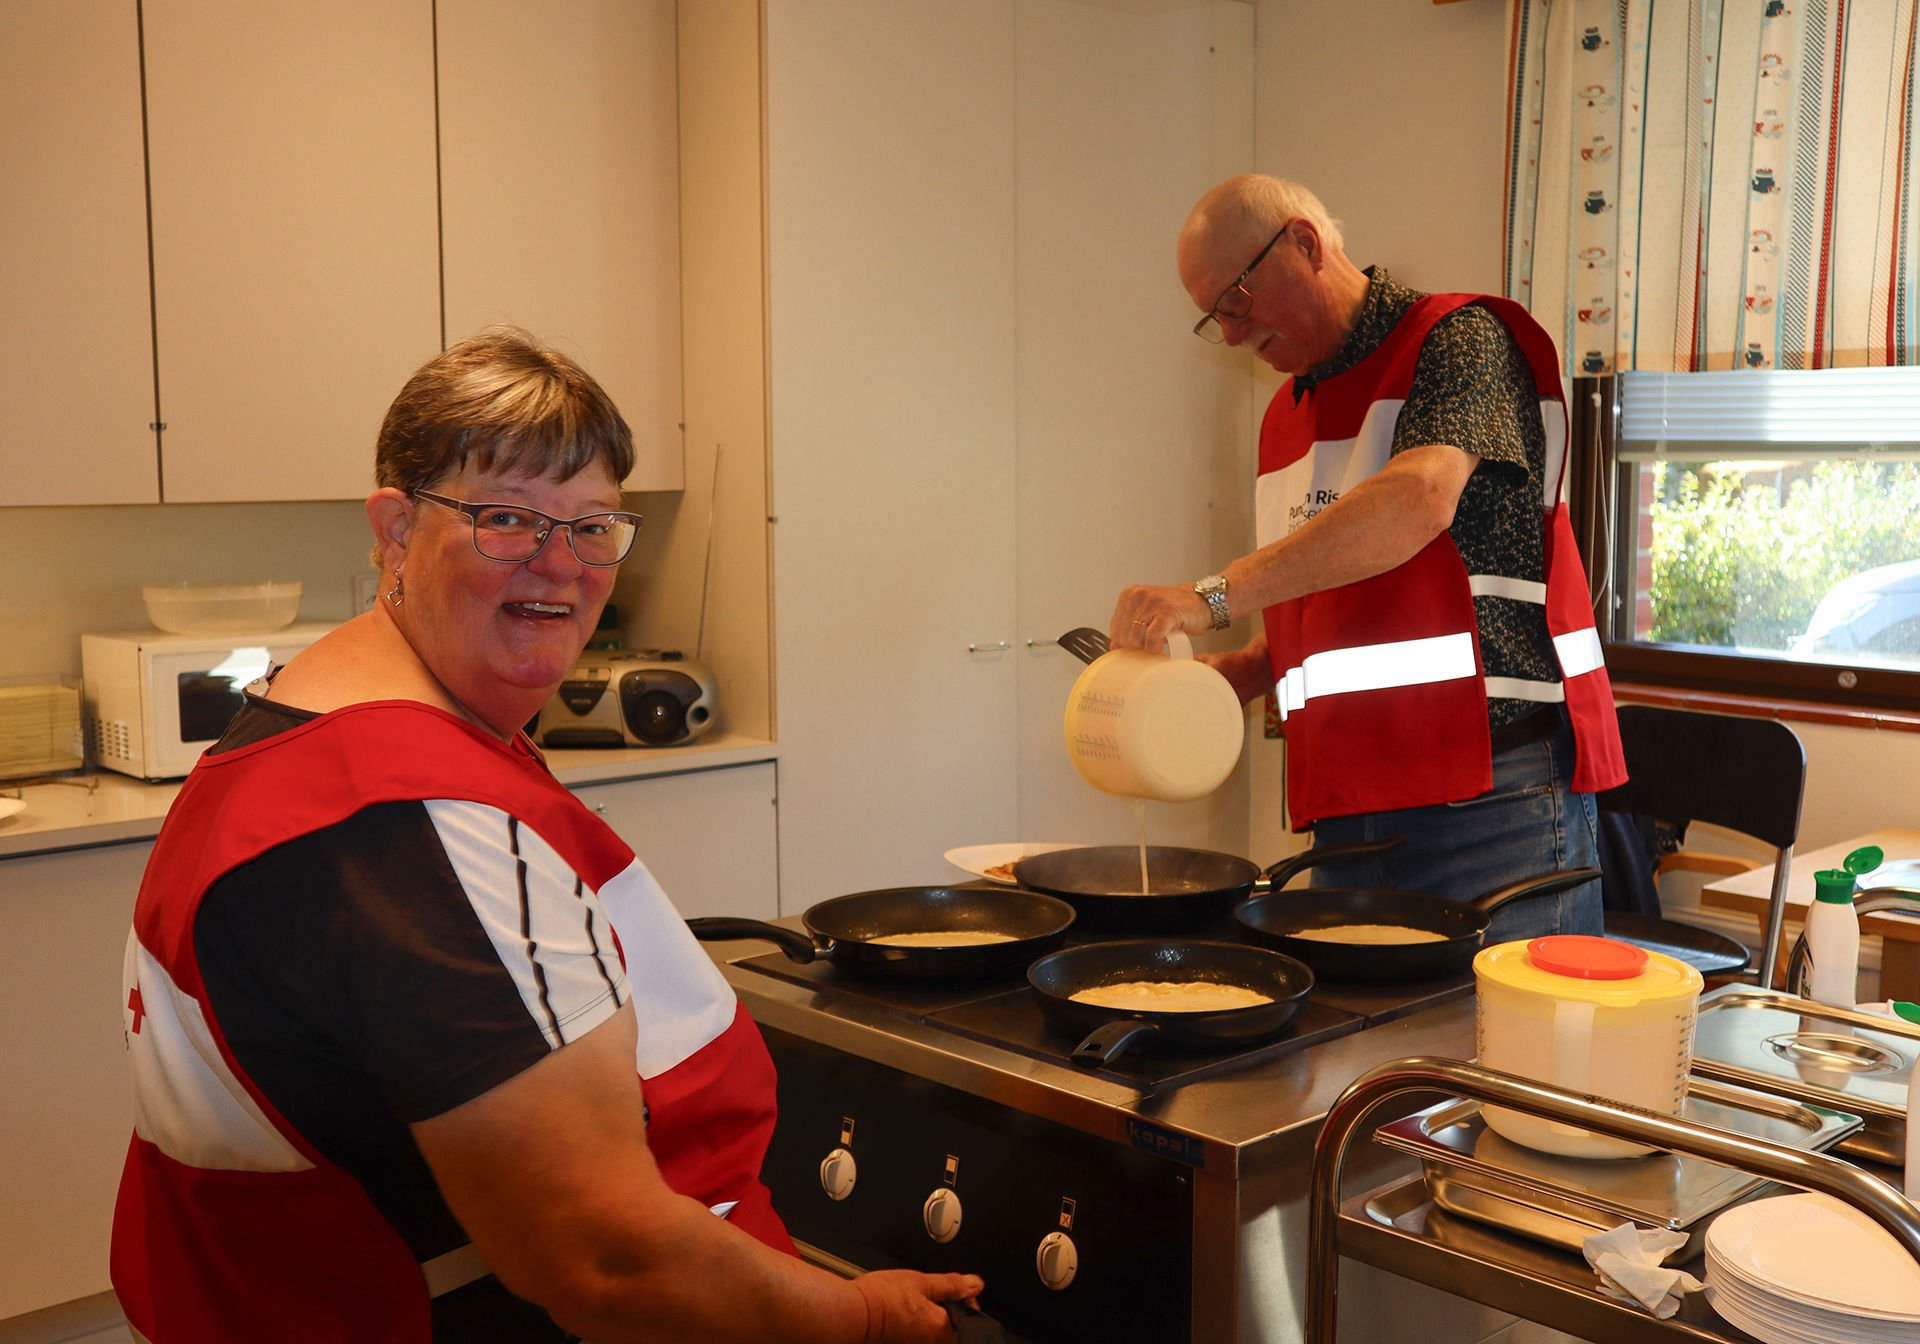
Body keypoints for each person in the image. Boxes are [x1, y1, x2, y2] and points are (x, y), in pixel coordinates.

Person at [111, 329, 982, 1344]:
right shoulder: (413, 828)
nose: (560, 566)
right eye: (507, 519)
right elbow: (602, 1256)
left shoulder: (316, 716)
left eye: (595, 526)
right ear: (394, 529)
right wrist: (860, 1317)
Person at [1109, 175, 1627, 940]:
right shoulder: (1287, 416)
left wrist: (1211, 596)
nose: (1229, 333)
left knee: (1516, 1055)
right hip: (1349, 812)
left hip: (1493, 806)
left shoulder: (1459, 341)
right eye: (1212, 317)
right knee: (1367, 1058)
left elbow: (1416, 502)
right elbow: (1343, 594)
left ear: (1305, 245)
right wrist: (1250, 668)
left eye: (1235, 300)